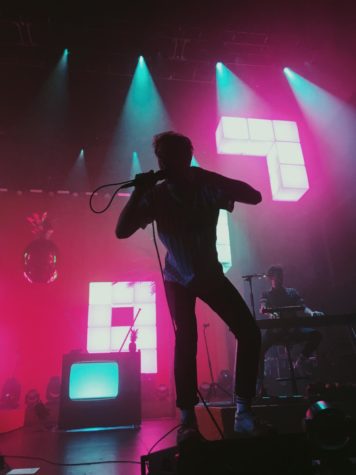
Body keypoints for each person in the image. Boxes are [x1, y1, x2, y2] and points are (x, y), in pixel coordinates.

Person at [116, 131, 263, 441]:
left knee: (248, 332)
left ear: (186, 158)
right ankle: (187, 420)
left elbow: (254, 195)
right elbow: (122, 231)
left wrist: (203, 174)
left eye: (173, 157)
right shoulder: (155, 196)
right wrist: (138, 192)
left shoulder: (206, 186)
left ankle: (243, 412)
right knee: (187, 339)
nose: (166, 163)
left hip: (209, 274)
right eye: (163, 158)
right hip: (176, 278)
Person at [258, 265, 323, 395]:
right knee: (258, 350)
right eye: (278, 275)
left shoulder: (292, 292)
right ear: (271, 278)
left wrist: (311, 313)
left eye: (282, 275)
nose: (280, 278)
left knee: (316, 335)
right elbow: (263, 307)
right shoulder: (266, 294)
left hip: (293, 329)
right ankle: (261, 385)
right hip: (275, 331)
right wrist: (270, 314)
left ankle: (301, 360)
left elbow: (302, 306)